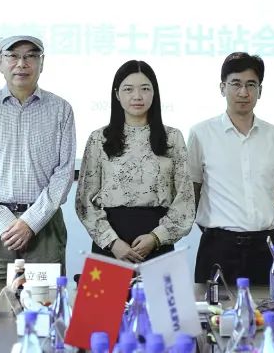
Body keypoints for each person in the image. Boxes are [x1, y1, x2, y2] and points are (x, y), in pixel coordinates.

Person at [0, 35, 76, 282]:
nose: (21, 64)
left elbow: (65, 173)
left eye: (30, 56)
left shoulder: (61, 110)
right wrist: (3, 221)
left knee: (45, 302)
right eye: (13, 56)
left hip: (44, 227)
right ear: (0, 62)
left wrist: (31, 222)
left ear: (42, 63)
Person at [76, 60, 195, 262]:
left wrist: (156, 238)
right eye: (128, 89)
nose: (137, 96)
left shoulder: (173, 138)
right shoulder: (99, 139)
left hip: (157, 244)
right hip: (111, 245)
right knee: (108, 287)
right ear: (117, 94)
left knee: (158, 286)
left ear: (154, 93)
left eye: (145, 89)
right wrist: (112, 242)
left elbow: (186, 200)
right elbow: (84, 201)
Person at [186, 52, 274, 284]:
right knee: (213, 307)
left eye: (251, 85)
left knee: (270, 305)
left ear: (260, 91)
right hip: (218, 247)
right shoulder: (201, 134)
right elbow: (193, 190)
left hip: (265, 247)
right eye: (236, 84)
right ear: (222, 88)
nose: (243, 92)